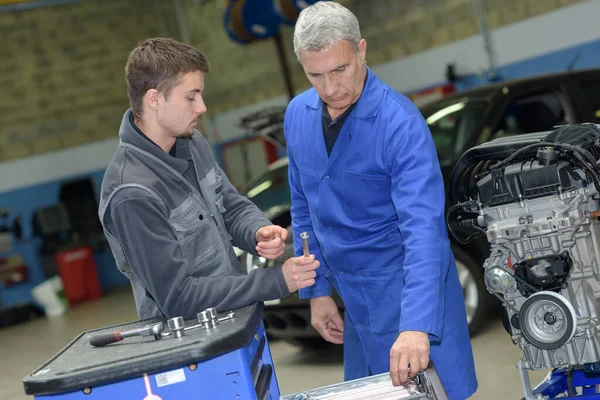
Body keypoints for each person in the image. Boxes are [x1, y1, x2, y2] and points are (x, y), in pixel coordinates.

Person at [284, 2, 477, 399]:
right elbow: (303, 207)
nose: (330, 88)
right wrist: (316, 291)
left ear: (361, 50)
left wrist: (416, 326)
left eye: (340, 70)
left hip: (406, 296)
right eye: (315, 75)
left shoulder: (400, 125)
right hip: (354, 305)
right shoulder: (297, 115)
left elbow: (424, 233)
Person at [98, 37, 320, 320]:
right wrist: (275, 281)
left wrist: (257, 231)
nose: (201, 107)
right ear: (154, 99)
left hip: (238, 323)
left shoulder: (192, 143)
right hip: (191, 348)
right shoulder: (131, 192)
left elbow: (231, 205)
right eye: (190, 97)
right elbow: (178, 298)